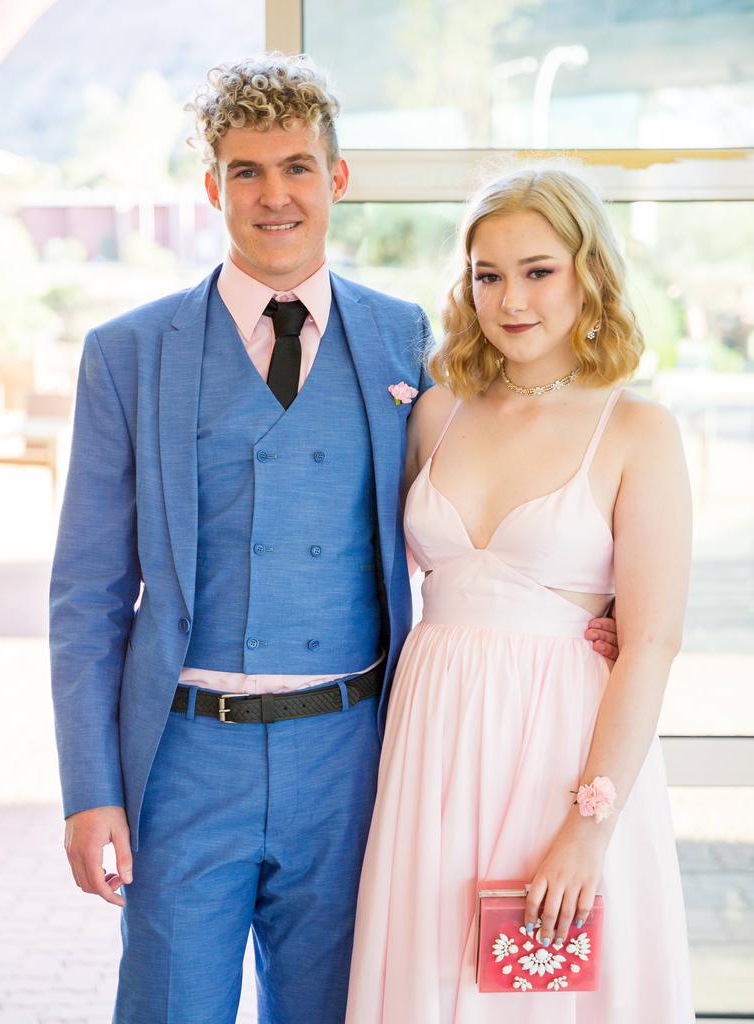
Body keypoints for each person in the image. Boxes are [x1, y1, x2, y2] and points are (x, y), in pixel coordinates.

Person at [49, 55, 618, 1024]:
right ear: (211, 185)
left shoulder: (406, 342)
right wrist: (87, 789)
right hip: (186, 757)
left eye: (298, 167)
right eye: (247, 171)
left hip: (354, 758)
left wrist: (586, 612)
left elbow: (509, 470)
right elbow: (87, 595)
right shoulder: (128, 355)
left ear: (337, 178)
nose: (276, 195)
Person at [345, 164, 694, 1022]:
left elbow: (650, 643)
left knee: (546, 992)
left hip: (562, 754)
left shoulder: (638, 430)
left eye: (538, 271)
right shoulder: (438, 413)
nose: (511, 300)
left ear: (590, 273)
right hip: (432, 743)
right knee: (433, 975)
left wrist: (589, 827)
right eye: (487, 275)